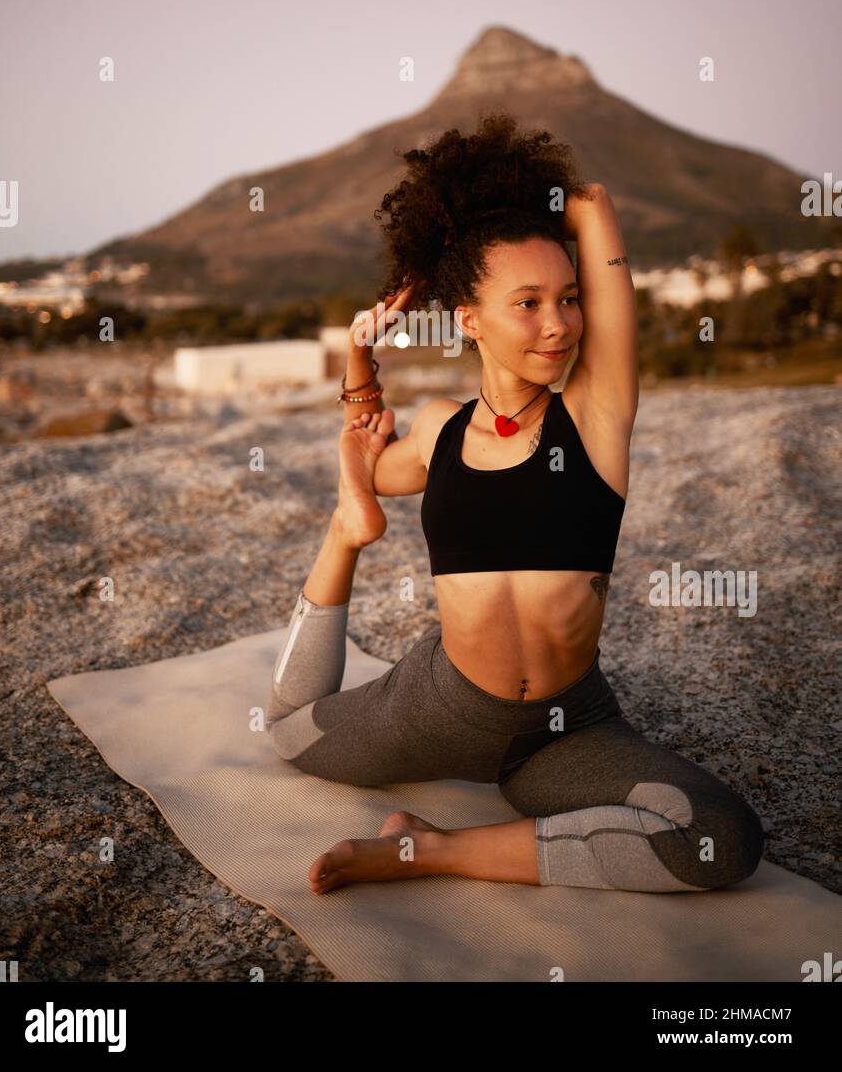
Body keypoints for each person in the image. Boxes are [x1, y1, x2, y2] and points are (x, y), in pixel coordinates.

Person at [266, 113, 765, 895]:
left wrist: (507, 206)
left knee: (718, 841)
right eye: (526, 303)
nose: (559, 325)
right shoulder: (440, 430)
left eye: (567, 299)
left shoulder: (594, 418)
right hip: (440, 705)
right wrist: (360, 355)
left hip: (563, 731)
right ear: (469, 320)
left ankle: (432, 850)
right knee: (287, 735)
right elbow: (371, 448)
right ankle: (345, 531)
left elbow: (592, 202)